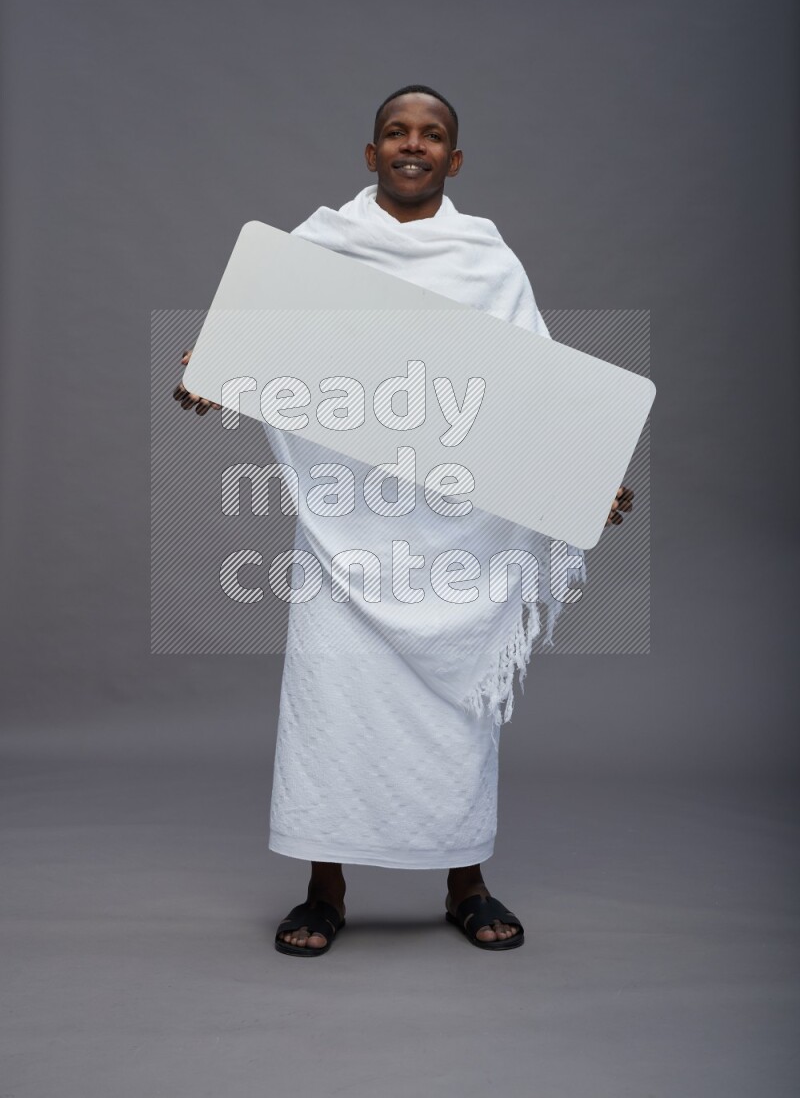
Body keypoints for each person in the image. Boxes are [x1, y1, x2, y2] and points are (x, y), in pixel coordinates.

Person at [173, 86, 634, 956]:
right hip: (347, 521)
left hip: (458, 529)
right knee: (332, 702)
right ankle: (324, 889)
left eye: (431, 135)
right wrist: (218, 364)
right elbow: (266, 340)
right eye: (396, 132)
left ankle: (466, 880)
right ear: (371, 152)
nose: (412, 144)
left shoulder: (487, 260)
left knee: (458, 710)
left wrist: (584, 473)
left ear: (454, 159)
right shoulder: (319, 246)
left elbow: (535, 379)